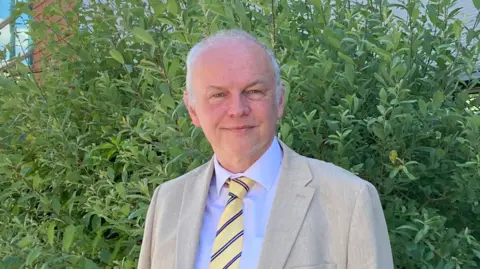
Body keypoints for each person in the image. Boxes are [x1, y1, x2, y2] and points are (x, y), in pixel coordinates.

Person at [138, 29, 394, 269]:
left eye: (254, 91)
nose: (237, 110)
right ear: (192, 109)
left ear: (280, 100)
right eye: (218, 95)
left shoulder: (349, 199)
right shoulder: (167, 202)